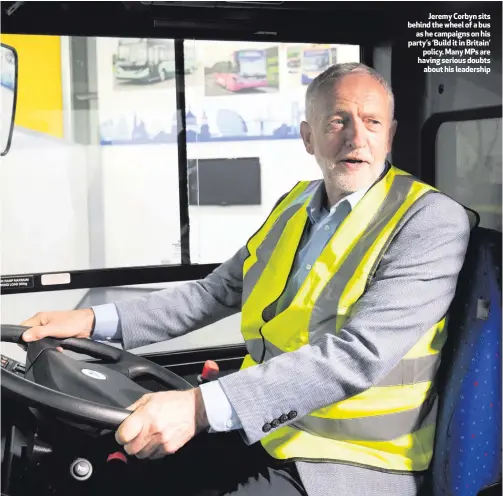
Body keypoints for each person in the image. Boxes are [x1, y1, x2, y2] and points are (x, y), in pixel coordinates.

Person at [20, 62, 471, 496]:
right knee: (113, 471)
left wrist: (198, 408)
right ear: (308, 137)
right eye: (338, 121)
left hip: (350, 461)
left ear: (390, 135)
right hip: (262, 426)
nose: (358, 137)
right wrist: (90, 323)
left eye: (373, 123)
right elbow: (213, 293)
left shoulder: (429, 220)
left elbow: (359, 356)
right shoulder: (295, 204)